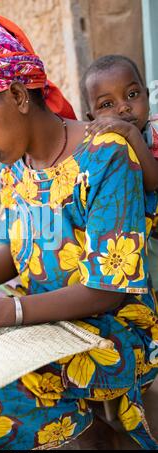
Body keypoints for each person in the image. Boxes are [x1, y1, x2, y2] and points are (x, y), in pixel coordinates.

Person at [0, 13, 158, 450]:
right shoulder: (15, 169)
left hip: (113, 328)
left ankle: (97, 437)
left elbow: (108, 291)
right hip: (43, 317)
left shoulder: (106, 156)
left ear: (20, 95)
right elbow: (18, 250)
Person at [80, 54, 158, 300]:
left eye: (133, 95)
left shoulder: (154, 131)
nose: (123, 107)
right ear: (92, 118)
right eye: (107, 104)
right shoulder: (101, 146)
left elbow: (152, 183)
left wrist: (131, 134)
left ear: (147, 95)